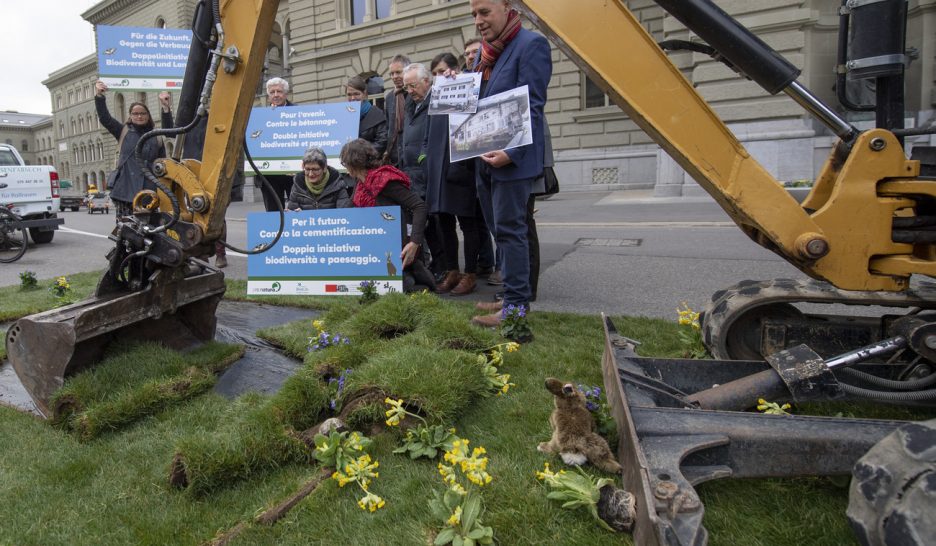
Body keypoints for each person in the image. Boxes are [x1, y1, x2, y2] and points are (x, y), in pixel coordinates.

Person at [467, 0, 552, 327]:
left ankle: (516, 308)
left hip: (511, 160)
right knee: (499, 231)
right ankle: (509, 298)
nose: (478, 21)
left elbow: (533, 105)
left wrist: (511, 153)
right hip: (483, 157)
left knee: (511, 231)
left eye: (484, 12)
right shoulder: (484, 54)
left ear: (506, 7)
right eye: (474, 14)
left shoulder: (531, 45)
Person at [424, 53, 487, 296]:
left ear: (453, 70)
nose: (439, 77)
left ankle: (470, 273)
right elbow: (430, 134)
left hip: (461, 166)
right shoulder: (435, 97)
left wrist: (461, 79)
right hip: (438, 169)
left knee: (468, 222)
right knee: (443, 222)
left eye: (442, 71)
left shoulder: (466, 86)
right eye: (435, 73)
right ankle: (452, 270)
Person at [339, 138, 434, 292]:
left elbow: (419, 206)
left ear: (353, 163)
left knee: (400, 286)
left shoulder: (385, 181)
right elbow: (349, 208)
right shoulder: (361, 182)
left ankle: (415, 279)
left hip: (398, 241)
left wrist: (415, 242)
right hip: (376, 241)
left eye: (345, 163)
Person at [94, 80, 166, 217]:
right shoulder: (123, 131)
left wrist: (166, 108)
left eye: (143, 113)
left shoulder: (156, 136)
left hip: (149, 194)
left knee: (150, 232)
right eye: (135, 113)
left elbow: (164, 164)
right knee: (127, 231)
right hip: (125, 192)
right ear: (130, 116)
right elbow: (105, 118)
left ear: (148, 115)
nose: (139, 116)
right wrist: (99, 96)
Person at [260, 77, 296, 213]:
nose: (276, 95)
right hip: (269, 174)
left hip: (293, 173)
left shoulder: (299, 112)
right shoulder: (259, 116)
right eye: (272, 92)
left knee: (297, 210)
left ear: (286, 93)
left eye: (279, 92)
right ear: (268, 95)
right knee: (273, 214)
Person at [285, 147, 352, 210]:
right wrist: (296, 215)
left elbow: (344, 215)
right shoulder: (297, 185)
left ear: (325, 168)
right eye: (307, 169)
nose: (311, 174)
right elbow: (292, 214)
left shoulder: (338, 184)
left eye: (315, 169)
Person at [346, 76, 388, 157]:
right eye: (349, 94)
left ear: (364, 94)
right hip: (350, 165)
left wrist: (361, 152)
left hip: (370, 164)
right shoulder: (344, 115)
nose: (352, 98)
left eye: (356, 94)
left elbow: (382, 143)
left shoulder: (377, 114)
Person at [383, 54, 411, 167]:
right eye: (392, 73)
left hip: (411, 155)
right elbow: (388, 127)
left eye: (398, 72)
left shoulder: (414, 93)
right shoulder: (390, 97)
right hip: (395, 158)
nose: (394, 76)